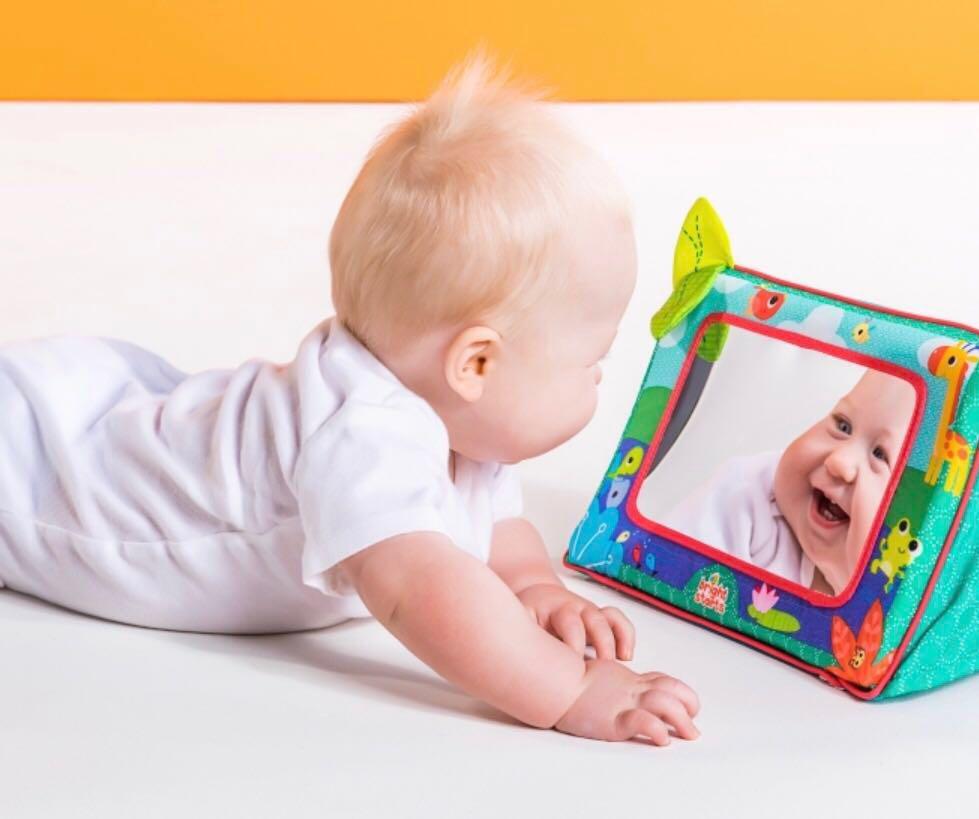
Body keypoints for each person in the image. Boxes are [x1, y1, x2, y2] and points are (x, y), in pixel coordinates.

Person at [0, 52, 699, 746]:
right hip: (37, 474)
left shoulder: (457, 420)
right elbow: (418, 592)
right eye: (591, 360)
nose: (599, 381)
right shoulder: (367, 434)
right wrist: (566, 686)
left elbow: (490, 520)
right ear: (475, 362)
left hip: (111, 415)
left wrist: (531, 588)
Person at [661, 368, 916, 596]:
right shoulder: (748, 495)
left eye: (880, 455)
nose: (839, 462)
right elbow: (662, 567)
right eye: (843, 425)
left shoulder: (902, 603)